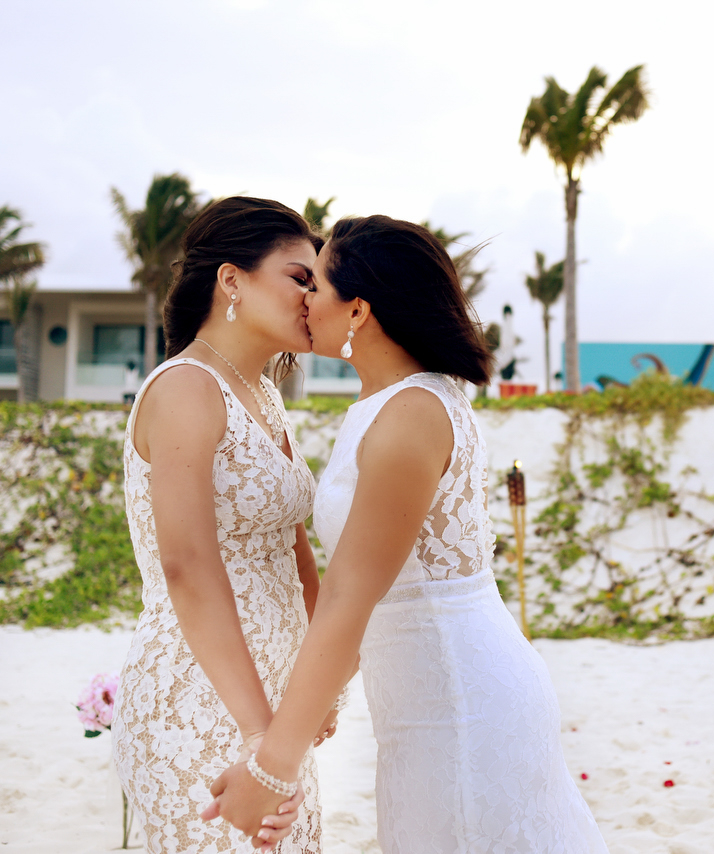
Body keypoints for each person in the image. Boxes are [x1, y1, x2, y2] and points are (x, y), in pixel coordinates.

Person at [202, 215, 609, 853]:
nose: (305, 298)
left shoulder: (411, 414)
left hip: (459, 702)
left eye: (318, 283)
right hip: (424, 702)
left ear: (358, 310)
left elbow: (351, 593)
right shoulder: (386, 404)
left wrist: (269, 767)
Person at [113, 197, 340, 853]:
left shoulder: (261, 392)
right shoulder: (186, 388)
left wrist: (317, 686)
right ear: (231, 280)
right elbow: (186, 565)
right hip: (202, 693)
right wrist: (257, 733)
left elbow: (294, 546)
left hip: (275, 702)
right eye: (300, 276)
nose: (313, 296)